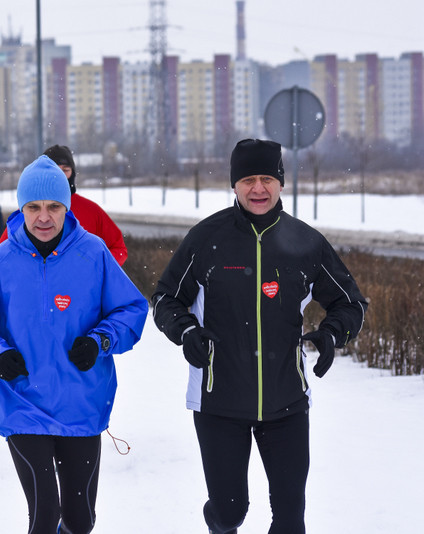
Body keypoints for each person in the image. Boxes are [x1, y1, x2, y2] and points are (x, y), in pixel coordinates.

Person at [151, 138, 368, 534]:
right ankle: (220, 519)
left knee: (290, 520)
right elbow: (166, 298)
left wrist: (331, 335)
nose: (258, 188)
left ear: (281, 183)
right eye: (248, 179)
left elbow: (351, 304)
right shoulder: (206, 240)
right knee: (230, 512)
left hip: (286, 401)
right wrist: (186, 332)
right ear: (234, 185)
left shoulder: (306, 243)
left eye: (267, 178)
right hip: (219, 402)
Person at [0, 155, 148, 532]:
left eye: (54, 207)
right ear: (21, 208)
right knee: (44, 515)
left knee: (79, 521)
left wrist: (100, 340)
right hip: (22, 401)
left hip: (82, 404)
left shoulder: (93, 252)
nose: (43, 217)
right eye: (34, 207)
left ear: (66, 206)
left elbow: (132, 309)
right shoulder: (1, 259)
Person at [0, 145, 128, 266]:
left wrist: (96, 267)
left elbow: (118, 249)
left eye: (65, 170)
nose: (60, 176)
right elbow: (0, 259)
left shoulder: (91, 210)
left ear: (73, 172)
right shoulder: (25, 216)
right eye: (55, 169)